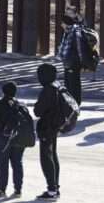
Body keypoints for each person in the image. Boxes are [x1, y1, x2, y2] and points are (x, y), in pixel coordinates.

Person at [0, 82, 26, 198]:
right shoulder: (21, 105)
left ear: (3, 92)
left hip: (2, 138)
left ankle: (1, 189)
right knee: (17, 164)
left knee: (2, 165)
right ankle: (18, 190)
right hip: (18, 138)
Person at [34, 63, 64, 200]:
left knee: (46, 158)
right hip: (55, 126)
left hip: (47, 127)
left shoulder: (47, 90)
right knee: (53, 156)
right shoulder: (58, 85)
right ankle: (55, 187)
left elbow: (38, 111)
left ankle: (51, 189)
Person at [57, 14, 84, 106]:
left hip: (74, 62)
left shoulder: (75, 32)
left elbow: (80, 49)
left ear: (66, 23)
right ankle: (70, 103)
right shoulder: (67, 31)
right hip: (67, 62)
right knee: (68, 83)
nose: (61, 25)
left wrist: (82, 63)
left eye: (62, 23)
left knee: (74, 84)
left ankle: (76, 103)